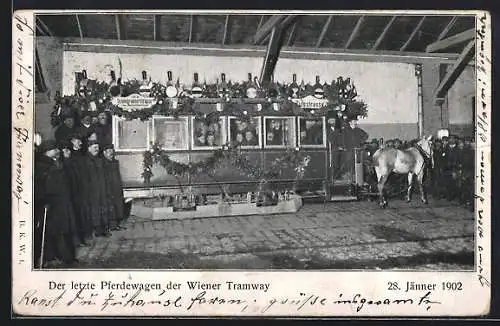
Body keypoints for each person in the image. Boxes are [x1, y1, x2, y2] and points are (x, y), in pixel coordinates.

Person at [34, 140, 78, 267]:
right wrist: (44, 200)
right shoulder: (41, 166)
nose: (58, 151)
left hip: (63, 202)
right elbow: (39, 186)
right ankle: (51, 256)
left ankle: (66, 256)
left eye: (57, 149)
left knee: (64, 230)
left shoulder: (58, 163)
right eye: (54, 149)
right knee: (52, 231)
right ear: (46, 151)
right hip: (51, 204)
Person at [82, 140, 111, 237]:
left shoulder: (100, 160)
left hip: (101, 189)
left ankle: (104, 228)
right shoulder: (85, 161)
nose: (97, 150)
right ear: (89, 148)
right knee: (94, 210)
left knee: (103, 208)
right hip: (92, 190)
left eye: (98, 148)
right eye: (95, 148)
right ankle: (96, 229)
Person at [102, 144, 127, 231]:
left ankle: (116, 224)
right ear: (104, 153)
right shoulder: (103, 164)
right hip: (108, 188)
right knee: (111, 207)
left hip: (116, 187)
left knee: (118, 205)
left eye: (112, 152)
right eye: (109, 152)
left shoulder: (115, 162)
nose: (111, 154)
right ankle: (110, 225)